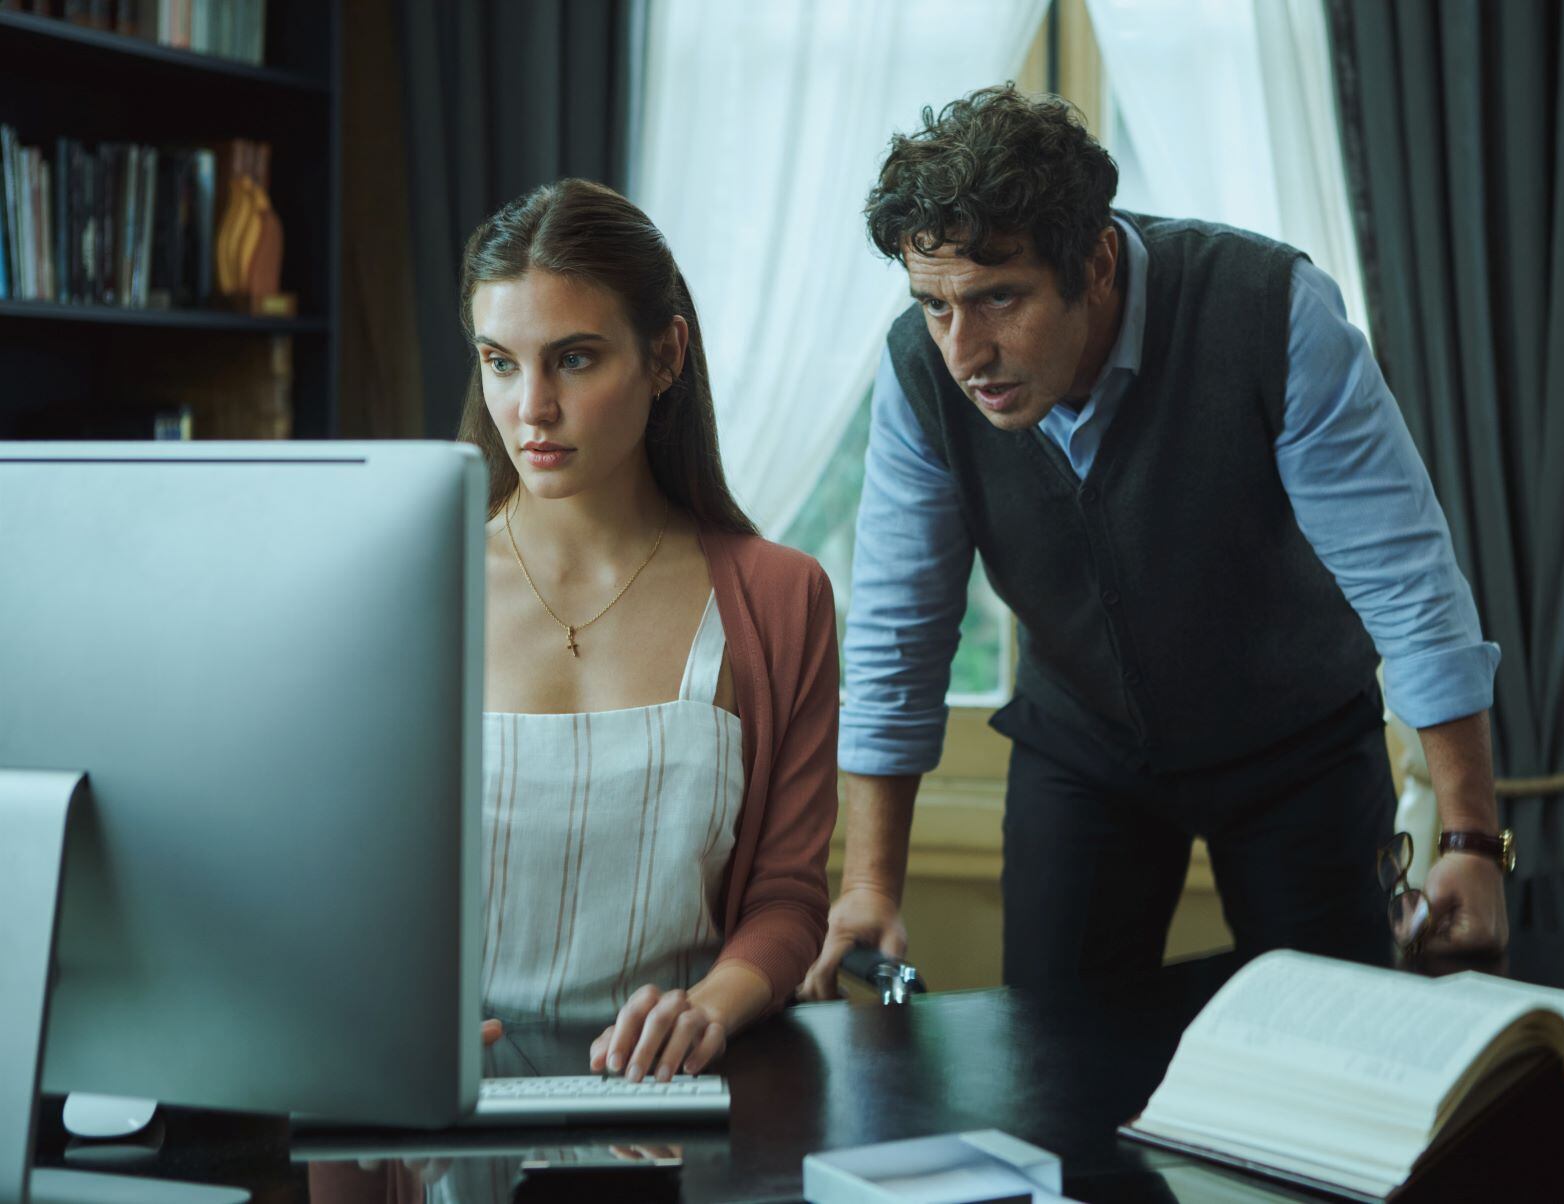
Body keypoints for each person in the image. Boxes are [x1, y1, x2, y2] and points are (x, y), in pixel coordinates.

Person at [800, 86, 1510, 1000]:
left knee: (1329, 1039)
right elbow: (900, 636)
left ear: (1094, 263)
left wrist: (1470, 840)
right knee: (1054, 1061)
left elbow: (1411, 590)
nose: (963, 352)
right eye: (936, 306)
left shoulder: (1272, 313)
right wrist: (867, 886)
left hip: (1299, 747)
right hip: (1082, 749)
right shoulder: (919, 374)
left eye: (998, 299)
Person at [458, 179, 837, 1079]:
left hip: (675, 1100)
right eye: (500, 362)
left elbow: (786, 900)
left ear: (666, 355)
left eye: (575, 360)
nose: (532, 409)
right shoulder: (416, 586)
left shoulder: (780, 598)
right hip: (442, 1115)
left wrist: (708, 1007)